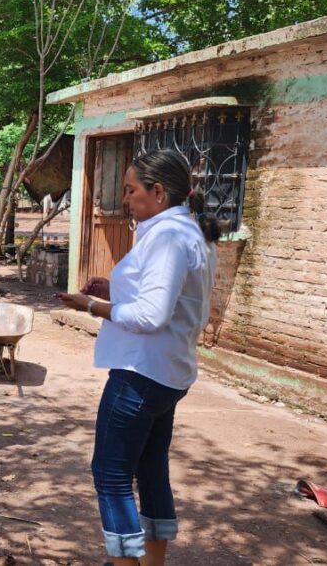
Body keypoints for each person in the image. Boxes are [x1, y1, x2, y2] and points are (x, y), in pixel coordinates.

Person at [56, 149, 219, 566]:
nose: (125, 199)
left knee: (110, 478)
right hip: (168, 373)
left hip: (140, 375)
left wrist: (91, 306)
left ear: (159, 192)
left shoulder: (167, 237)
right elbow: (175, 302)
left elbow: (151, 315)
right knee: (150, 469)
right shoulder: (189, 233)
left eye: (130, 191)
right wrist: (113, 291)